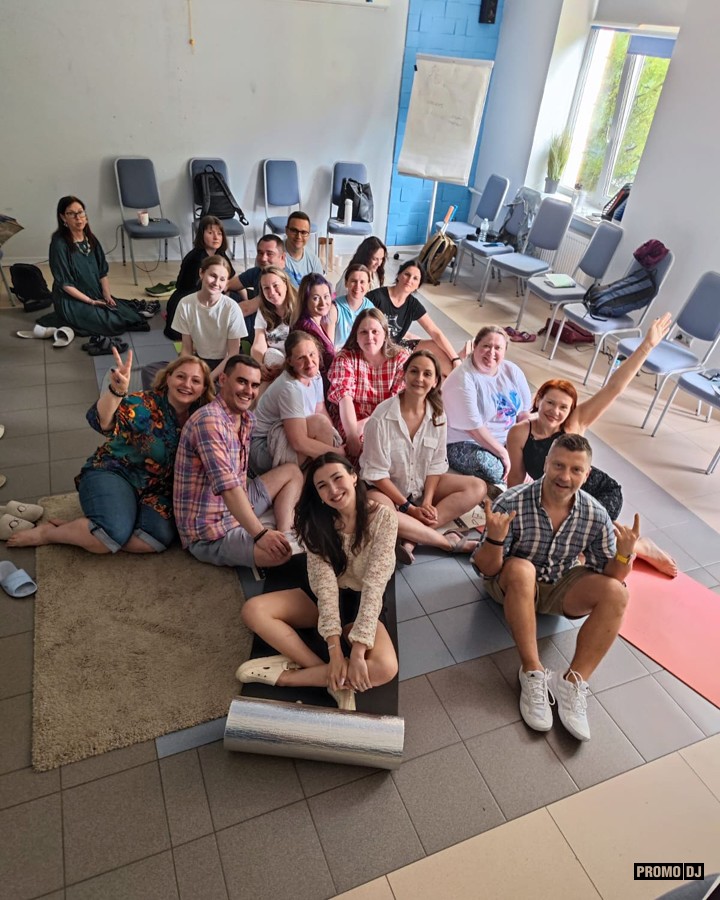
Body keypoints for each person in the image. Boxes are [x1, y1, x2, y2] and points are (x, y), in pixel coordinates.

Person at [471, 433, 638, 742]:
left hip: (560, 584)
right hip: (511, 584)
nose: (565, 476)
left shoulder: (595, 514)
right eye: (559, 465)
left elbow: (612, 575)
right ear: (546, 463)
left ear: (587, 474)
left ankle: (573, 681)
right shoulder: (512, 501)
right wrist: (494, 538)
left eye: (576, 470)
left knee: (618, 593)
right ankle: (531, 671)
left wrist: (624, 555)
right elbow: (487, 569)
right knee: (522, 569)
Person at [506, 313, 677, 577]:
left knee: (587, 551)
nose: (555, 412)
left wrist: (647, 346)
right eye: (550, 403)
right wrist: (509, 518)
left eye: (563, 407)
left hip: (598, 492)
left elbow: (614, 388)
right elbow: (515, 480)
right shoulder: (520, 432)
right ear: (538, 400)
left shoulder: (575, 422)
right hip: (557, 495)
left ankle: (641, 547)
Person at [8, 351, 213, 553]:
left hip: (157, 491)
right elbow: (103, 422)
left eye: (195, 381)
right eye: (181, 376)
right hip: (115, 473)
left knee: (155, 540)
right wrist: (116, 391)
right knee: (109, 536)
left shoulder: (203, 416)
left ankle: (90, 529)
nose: (187, 384)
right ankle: (50, 533)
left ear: (203, 388)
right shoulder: (144, 404)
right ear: (168, 378)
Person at [238, 453, 399, 711]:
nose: (333, 490)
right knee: (253, 610)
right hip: (321, 597)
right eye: (322, 486)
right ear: (318, 494)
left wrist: (358, 652)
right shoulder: (315, 522)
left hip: (361, 601)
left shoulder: (384, 518)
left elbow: (374, 586)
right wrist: (336, 654)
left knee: (386, 667)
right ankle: (327, 675)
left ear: (353, 476)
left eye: (337, 478)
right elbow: (325, 588)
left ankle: (289, 678)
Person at [173, 354, 303, 571]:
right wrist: (260, 534)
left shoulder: (246, 419)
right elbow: (229, 488)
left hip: (238, 502)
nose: (248, 391)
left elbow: (238, 483)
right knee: (280, 555)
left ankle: (285, 532)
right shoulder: (209, 422)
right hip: (209, 530)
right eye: (242, 381)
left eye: (254, 385)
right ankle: (271, 537)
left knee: (292, 472)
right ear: (223, 380)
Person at [361, 350, 486, 562]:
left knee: (478, 487)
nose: (419, 378)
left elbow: (436, 464)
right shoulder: (380, 418)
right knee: (378, 511)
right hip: (384, 491)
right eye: (414, 371)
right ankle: (447, 543)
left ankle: (411, 538)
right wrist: (408, 508)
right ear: (404, 375)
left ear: (435, 381)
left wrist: (427, 502)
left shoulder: (438, 415)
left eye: (427, 374)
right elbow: (376, 475)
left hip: (419, 486)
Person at [49, 196, 149, 353]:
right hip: (71, 300)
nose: (78, 218)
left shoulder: (91, 239)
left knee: (131, 317)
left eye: (80, 212)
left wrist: (106, 294)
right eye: (71, 214)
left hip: (94, 293)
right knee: (112, 323)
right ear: (63, 217)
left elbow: (103, 272)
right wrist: (91, 302)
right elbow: (65, 284)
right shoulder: (59, 244)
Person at [443, 325, 532, 485]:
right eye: (486, 346)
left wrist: (523, 448)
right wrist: (505, 455)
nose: (491, 352)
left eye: (498, 348)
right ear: (475, 346)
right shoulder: (463, 378)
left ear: (504, 351)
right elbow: (474, 430)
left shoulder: (512, 371)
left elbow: (524, 414)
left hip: (508, 440)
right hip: (466, 442)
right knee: (493, 467)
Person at [249, 332, 342, 474]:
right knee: (319, 424)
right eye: (301, 358)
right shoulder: (290, 388)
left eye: (312, 354)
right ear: (290, 361)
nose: (309, 363)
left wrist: (336, 440)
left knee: (322, 425)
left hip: (289, 433)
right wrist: (336, 453)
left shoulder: (315, 376)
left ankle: (318, 477)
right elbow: (298, 442)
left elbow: (320, 409)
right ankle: (321, 476)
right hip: (262, 447)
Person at [327, 308, 409, 460]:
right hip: (351, 420)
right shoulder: (345, 358)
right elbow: (344, 398)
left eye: (375, 332)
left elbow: (396, 403)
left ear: (385, 334)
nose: (369, 337)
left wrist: (367, 425)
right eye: (363, 332)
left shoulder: (400, 358)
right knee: (360, 451)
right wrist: (352, 435)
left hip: (388, 418)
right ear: (356, 337)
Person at [164, 216, 256, 340]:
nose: (216, 237)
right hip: (190, 298)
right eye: (210, 233)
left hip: (211, 292)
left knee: (251, 295)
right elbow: (203, 292)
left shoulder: (219, 253)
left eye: (219, 233)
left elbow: (233, 278)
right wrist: (232, 296)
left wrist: (246, 299)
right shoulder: (196, 258)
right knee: (238, 303)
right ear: (201, 235)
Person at [367, 259, 462, 376]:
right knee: (406, 358)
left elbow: (435, 332)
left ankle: (450, 379)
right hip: (375, 346)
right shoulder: (376, 297)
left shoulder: (413, 305)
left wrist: (455, 359)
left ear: (418, 285)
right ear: (399, 275)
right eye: (407, 274)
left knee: (436, 346)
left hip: (398, 344)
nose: (409, 280)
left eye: (415, 278)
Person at [172, 255, 247, 381]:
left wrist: (209, 380)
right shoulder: (186, 304)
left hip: (227, 363)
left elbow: (233, 354)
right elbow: (186, 349)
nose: (216, 283)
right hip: (200, 360)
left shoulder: (232, 308)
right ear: (201, 273)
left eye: (222, 279)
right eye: (213, 276)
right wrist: (186, 374)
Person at [251, 266, 300, 387]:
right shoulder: (263, 311)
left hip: (297, 360)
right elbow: (258, 344)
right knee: (270, 356)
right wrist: (260, 365)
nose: (272, 292)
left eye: (275, 285)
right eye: (266, 288)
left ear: (285, 284)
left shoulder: (300, 307)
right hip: (273, 361)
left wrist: (284, 367)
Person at [295, 273, 337, 374]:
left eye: (326, 296)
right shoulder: (306, 328)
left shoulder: (315, 322)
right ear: (305, 300)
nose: (323, 303)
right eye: (316, 298)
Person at [333, 263, 374, 349]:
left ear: (368, 286)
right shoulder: (335, 308)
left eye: (362, 282)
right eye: (353, 281)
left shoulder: (371, 309)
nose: (357, 286)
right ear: (346, 283)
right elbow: (328, 345)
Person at [283, 212, 324, 287]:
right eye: (294, 231)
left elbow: (320, 288)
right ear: (286, 230)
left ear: (308, 235)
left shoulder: (314, 261)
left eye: (303, 232)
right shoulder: (275, 254)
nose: (298, 236)